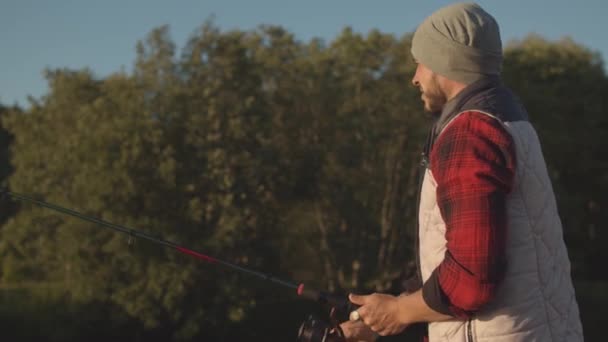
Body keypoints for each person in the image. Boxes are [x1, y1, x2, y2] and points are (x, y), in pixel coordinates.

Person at [340, 2, 584, 341]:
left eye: (419, 64)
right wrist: (388, 314)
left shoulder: (469, 133)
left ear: (444, 61)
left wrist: (400, 312)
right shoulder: (509, 120)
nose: (414, 78)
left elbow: (472, 277)